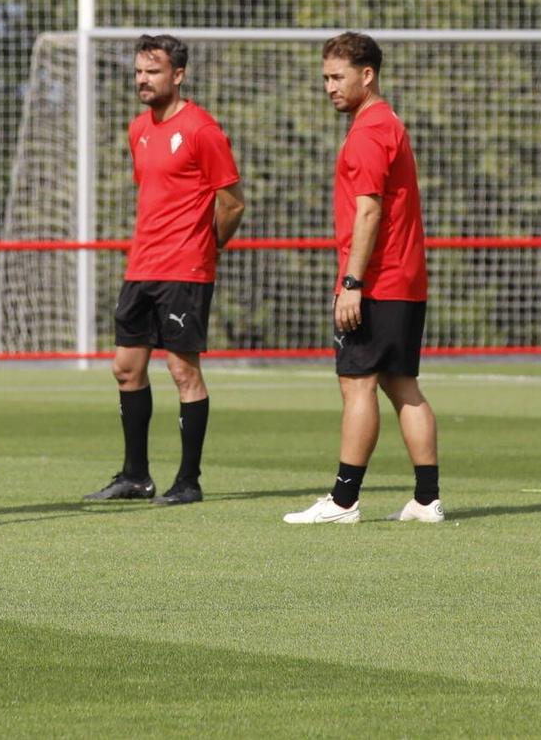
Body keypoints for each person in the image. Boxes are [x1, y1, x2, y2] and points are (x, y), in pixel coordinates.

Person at [284, 31, 443, 525]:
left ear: (366, 75)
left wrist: (352, 283)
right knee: (403, 387)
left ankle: (343, 500)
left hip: (377, 281)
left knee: (357, 385)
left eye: (337, 77)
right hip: (406, 279)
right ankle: (426, 499)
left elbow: (369, 212)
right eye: (325, 78)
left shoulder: (371, 130)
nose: (329, 86)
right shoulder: (387, 123)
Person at [85, 34, 245, 507]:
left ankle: (189, 481)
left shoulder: (202, 129)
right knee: (125, 368)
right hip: (142, 267)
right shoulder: (138, 129)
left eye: (152, 72)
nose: (142, 80)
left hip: (185, 270)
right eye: (138, 72)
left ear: (178, 75)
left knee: (182, 370)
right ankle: (135, 475)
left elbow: (232, 202)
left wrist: (207, 244)